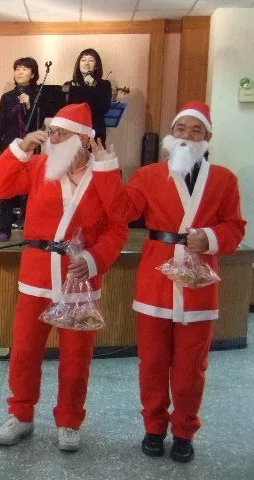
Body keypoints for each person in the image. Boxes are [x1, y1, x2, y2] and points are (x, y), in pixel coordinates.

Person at [90, 101, 246, 463]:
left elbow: (236, 229)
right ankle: (154, 428)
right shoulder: (149, 176)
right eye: (180, 129)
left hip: (199, 285)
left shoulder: (224, 179)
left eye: (195, 130)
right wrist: (106, 168)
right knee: (152, 363)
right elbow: (121, 211)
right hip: (156, 282)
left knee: (192, 369)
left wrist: (209, 237)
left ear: (207, 137)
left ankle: (184, 431)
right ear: (170, 135)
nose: (186, 136)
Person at [0, 103, 128, 451]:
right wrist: (21, 148)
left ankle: (69, 420)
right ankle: (20, 414)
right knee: (24, 350)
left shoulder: (103, 173)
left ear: (83, 139)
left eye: (61, 133)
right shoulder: (40, 166)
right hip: (37, 273)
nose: (52, 138)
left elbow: (119, 225)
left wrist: (95, 259)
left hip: (80, 278)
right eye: (51, 132)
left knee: (77, 357)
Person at [0, 57, 39, 242]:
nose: (19, 72)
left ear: (33, 74)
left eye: (24, 69)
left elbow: (37, 124)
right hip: (10, 149)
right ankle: (4, 229)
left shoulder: (38, 96)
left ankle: (31, 229)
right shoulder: (7, 97)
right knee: (6, 188)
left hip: (31, 148)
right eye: (17, 68)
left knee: (31, 189)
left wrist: (29, 105)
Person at [64, 49, 112, 146]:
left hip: (95, 130)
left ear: (96, 66)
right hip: (73, 131)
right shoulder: (68, 85)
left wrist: (92, 88)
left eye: (91, 60)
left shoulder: (104, 85)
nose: (86, 63)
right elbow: (64, 109)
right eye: (83, 60)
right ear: (78, 65)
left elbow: (104, 108)